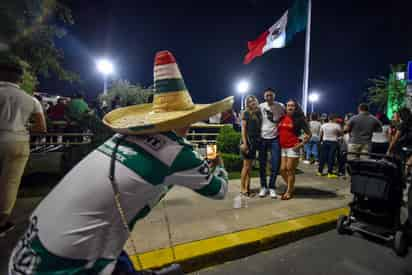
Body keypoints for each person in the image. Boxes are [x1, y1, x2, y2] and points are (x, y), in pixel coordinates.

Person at [8, 50, 233, 275]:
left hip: (29, 248)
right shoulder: (178, 152)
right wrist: (218, 164)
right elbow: (220, 190)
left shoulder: (121, 137)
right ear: (187, 120)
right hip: (69, 263)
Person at [0, 55, 47, 237]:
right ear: (19, 79)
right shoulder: (31, 100)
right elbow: (41, 128)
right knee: (10, 183)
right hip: (18, 142)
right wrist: (23, 128)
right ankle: (2, 222)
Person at [278, 99, 311, 200]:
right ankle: (291, 187)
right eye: (288, 105)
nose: (290, 107)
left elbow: (309, 134)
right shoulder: (282, 117)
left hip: (293, 147)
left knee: (290, 170)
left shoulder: (299, 119)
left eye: (292, 106)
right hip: (283, 147)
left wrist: (301, 144)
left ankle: (289, 192)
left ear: (296, 107)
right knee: (282, 170)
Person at [258, 88, 285, 199]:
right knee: (262, 164)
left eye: (271, 95)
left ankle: (272, 187)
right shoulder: (261, 106)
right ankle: (263, 187)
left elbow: (285, 118)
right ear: (264, 96)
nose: (269, 97)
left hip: (275, 138)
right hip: (262, 138)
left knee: (275, 163)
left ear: (274, 96)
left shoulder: (280, 106)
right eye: (267, 95)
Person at [240, 95, 262, 196]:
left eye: (254, 101)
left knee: (250, 167)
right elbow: (243, 130)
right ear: (247, 103)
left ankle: (248, 187)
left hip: (255, 142)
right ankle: (242, 187)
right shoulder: (245, 113)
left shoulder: (258, 113)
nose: (252, 103)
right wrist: (245, 143)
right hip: (247, 141)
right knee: (246, 166)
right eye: (250, 102)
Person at [317, 114, 342, 178]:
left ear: (328, 118)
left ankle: (320, 171)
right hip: (333, 142)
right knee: (331, 157)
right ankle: (329, 173)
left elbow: (320, 134)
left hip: (325, 142)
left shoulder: (324, 125)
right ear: (334, 119)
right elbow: (340, 134)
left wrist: (320, 142)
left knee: (323, 157)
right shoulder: (337, 125)